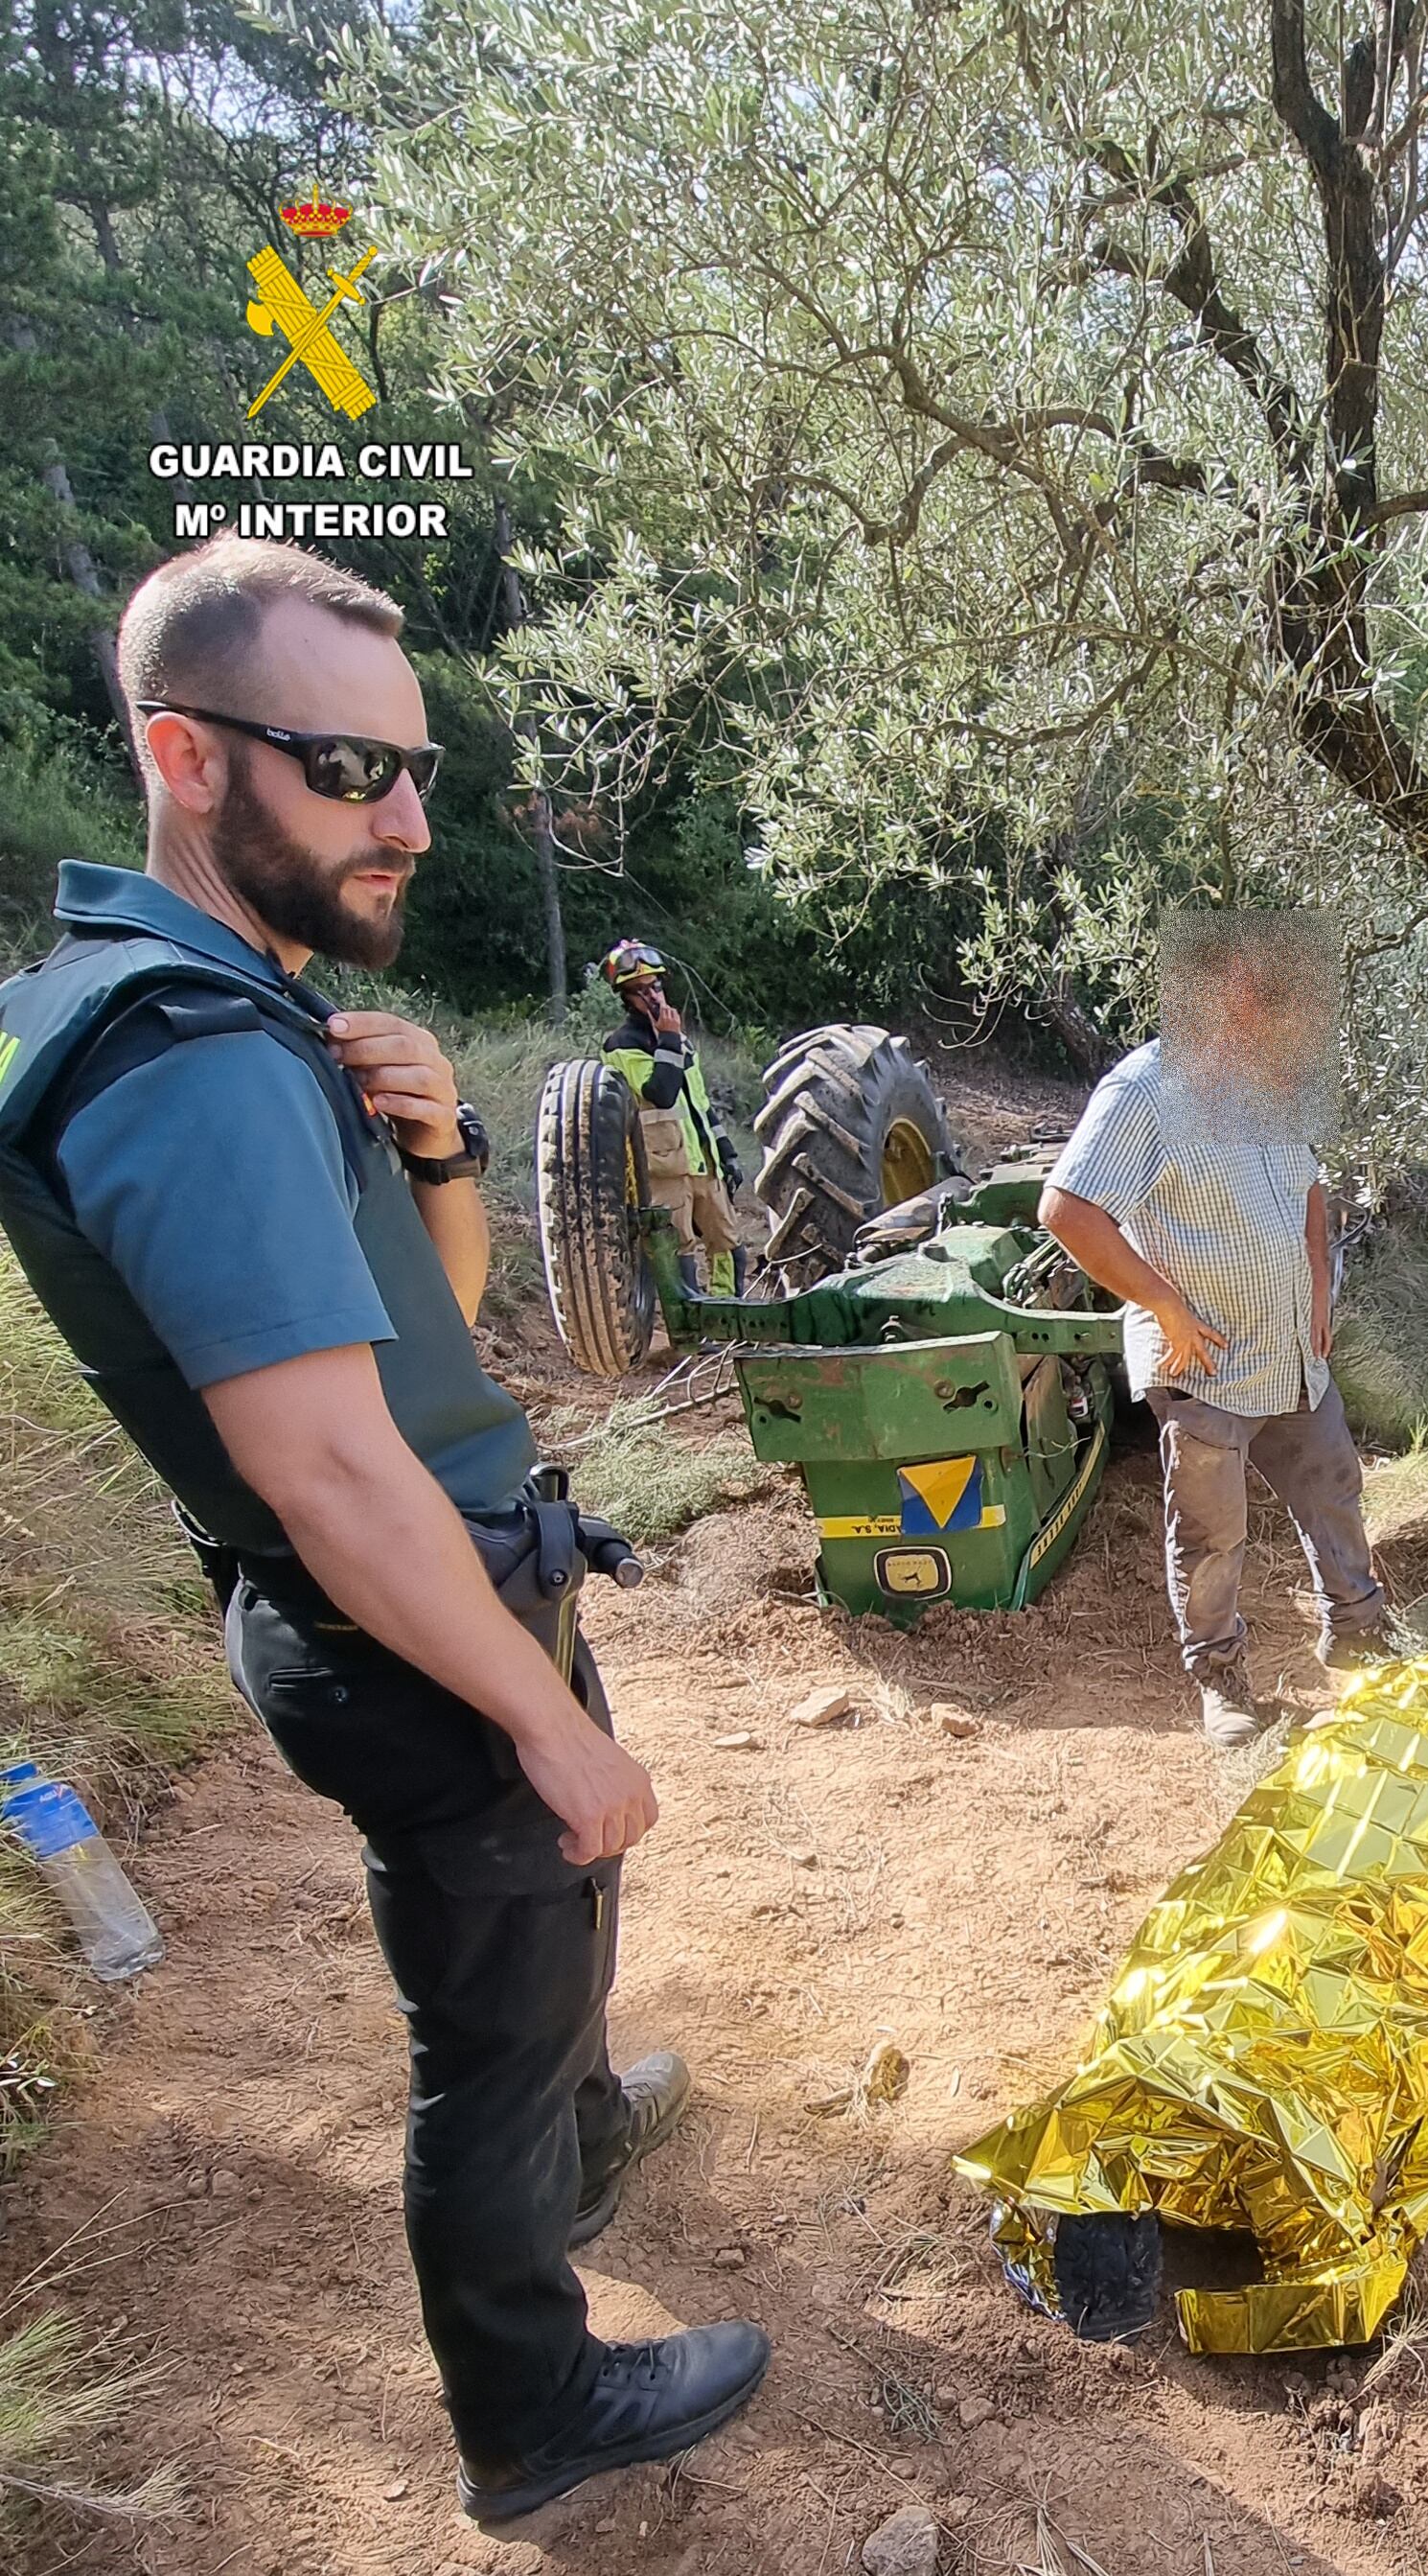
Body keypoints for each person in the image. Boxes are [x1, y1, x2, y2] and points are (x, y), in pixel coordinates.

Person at [0, 539, 769, 2521]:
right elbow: (334, 1471)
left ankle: (586, 2127)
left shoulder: (239, 1006)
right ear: (182, 753)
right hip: (399, 1611)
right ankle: (535, 2406)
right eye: (350, 766)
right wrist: (553, 1720)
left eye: (417, 769)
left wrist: (431, 1136)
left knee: (544, 1944)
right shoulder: (178, 1058)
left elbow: (424, 1308)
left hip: (447, 1560)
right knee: (491, 2015)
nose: (406, 816)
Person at [1037, 917, 1394, 1747]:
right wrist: (1162, 1305)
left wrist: (1315, 1289)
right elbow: (1067, 1209)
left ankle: (1359, 1632)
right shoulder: (1145, 1090)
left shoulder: (1271, 1077)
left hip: (1289, 1353)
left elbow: (1308, 1188)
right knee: (1211, 1537)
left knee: (1334, 1487)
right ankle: (1222, 1681)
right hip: (1205, 1363)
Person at [596, 938, 749, 1296]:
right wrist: (667, 1040)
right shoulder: (621, 1046)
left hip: (703, 1163)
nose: (653, 997)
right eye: (640, 990)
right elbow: (661, 1093)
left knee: (729, 1246)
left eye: (656, 986)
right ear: (625, 997)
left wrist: (726, 1153)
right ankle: (694, 1335)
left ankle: (731, 1318)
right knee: (679, 1253)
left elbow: (699, 1102)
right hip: (666, 1170)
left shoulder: (678, 1040)